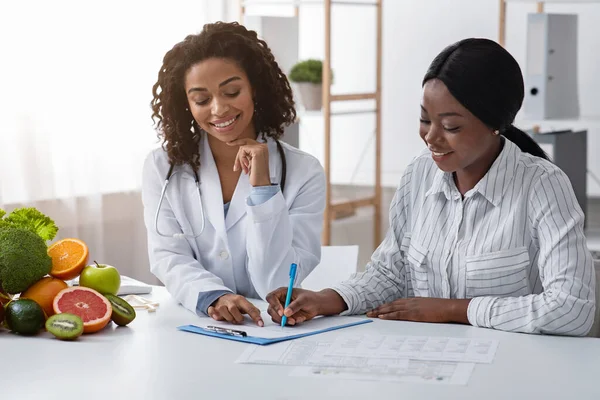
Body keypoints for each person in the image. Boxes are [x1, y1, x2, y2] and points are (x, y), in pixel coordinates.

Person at [266, 38, 596, 336]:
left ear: (496, 123)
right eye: (425, 119)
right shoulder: (419, 175)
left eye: (450, 126)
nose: (431, 137)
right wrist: (328, 299)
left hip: (510, 370)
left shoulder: (543, 186)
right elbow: (390, 273)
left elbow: (571, 308)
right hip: (427, 361)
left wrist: (453, 311)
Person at [142, 22, 325, 326]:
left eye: (231, 91)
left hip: (268, 330)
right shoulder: (162, 167)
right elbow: (167, 256)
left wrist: (264, 189)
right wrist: (213, 296)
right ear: (185, 104)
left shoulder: (304, 172)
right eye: (201, 99)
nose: (218, 109)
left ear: (255, 88)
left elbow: (276, 283)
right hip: (198, 325)